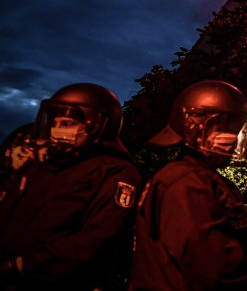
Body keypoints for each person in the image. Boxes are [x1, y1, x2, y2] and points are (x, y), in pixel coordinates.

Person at [0, 83, 141, 290]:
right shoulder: (44, 162)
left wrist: (23, 265)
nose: (58, 131)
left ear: (97, 126)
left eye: (68, 123)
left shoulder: (115, 171)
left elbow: (95, 237)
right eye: (55, 122)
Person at [128, 80, 247, 291]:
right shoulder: (187, 183)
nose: (232, 137)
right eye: (222, 127)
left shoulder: (191, 177)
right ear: (192, 124)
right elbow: (214, 266)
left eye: (235, 129)